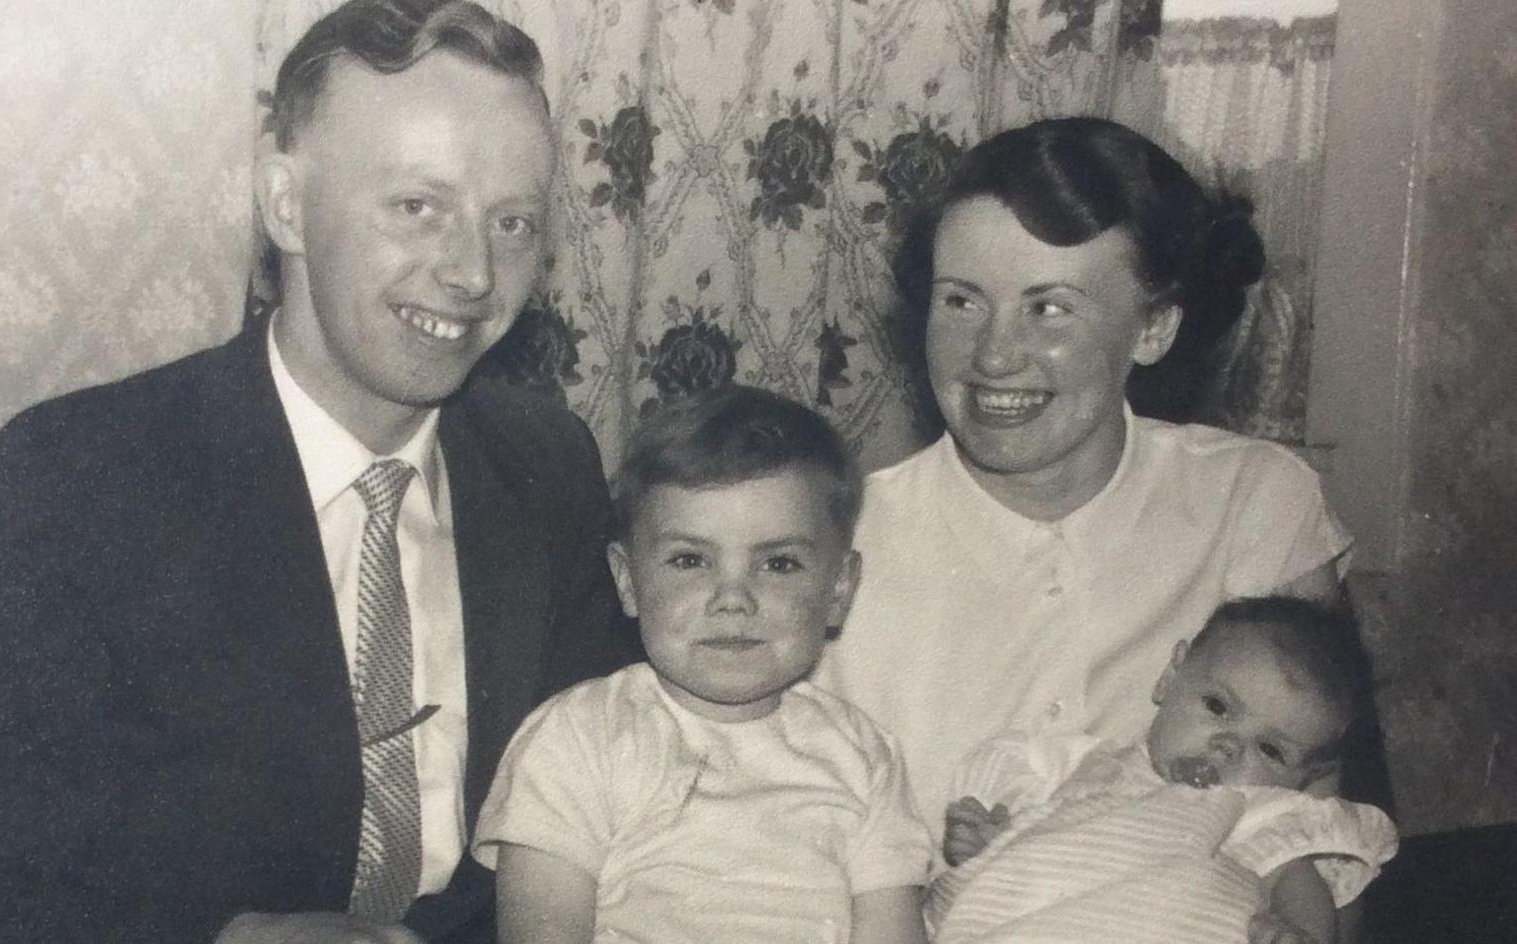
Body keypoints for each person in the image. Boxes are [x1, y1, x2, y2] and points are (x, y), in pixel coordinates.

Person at [0, 2, 639, 942]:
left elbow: (631, 791)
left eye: (512, 222)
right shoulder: (72, 482)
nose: (472, 272)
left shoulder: (548, 467)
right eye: (416, 206)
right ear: (286, 206)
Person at [814, 116, 1378, 846]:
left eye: (1048, 307)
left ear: (1154, 328)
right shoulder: (836, 542)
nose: (993, 354)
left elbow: (1321, 841)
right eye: (960, 300)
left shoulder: (1255, 505)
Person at [471, 386, 933, 944]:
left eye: (778, 564)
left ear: (838, 589)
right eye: (690, 560)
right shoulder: (578, 737)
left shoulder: (863, 757)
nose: (732, 599)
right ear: (627, 580)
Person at [925, 597, 1397, 944]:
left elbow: (1296, 880)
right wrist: (990, 840)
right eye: (1217, 706)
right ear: (1171, 677)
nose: (1229, 746)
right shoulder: (1077, 767)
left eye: (1270, 749)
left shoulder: (1257, 810)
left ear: (1305, 777)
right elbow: (1027, 853)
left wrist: (1299, 933)